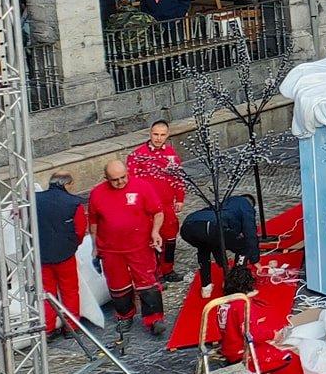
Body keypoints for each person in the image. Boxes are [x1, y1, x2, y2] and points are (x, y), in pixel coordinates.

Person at [85, 157, 166, 337]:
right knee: (117, 286)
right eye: (115, 179)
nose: (120, 182)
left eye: (123, 177)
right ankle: (125, 316)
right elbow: (94, 223)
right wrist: (94, 245)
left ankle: (155, 319)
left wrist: (155, 232)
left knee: (147, 283)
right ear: (106, 178)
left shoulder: (142, 187)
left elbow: (158, 212)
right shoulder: (97, 194)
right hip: (111, 250)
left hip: (140, 246)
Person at [125, 119, 186, 279]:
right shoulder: (137, 156)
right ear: (150, 133)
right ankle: (154, 272)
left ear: (167, 135)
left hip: (167, 205)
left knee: (170, 237)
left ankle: (168, 269)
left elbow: (178, 178)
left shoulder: (171, 155)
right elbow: (131, 183)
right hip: (147, 208)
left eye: (162, 135)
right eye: (155, 134)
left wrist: (179, 198)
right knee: (151, 238)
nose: (158, 138)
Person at [179, 192, 260, 300]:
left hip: (187, 227)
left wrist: (223, 263)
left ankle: (206, 286)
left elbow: (216, 242)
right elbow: (250, 233)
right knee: (244, 246)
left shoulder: (224, 204)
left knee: (205, 246)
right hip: (211, 225)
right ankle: (237, 286)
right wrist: (254, 258)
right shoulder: (245, 205)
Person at [34, 173, 86, 335]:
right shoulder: (73, 203)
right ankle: (71, 325)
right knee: (69, 290)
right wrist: (73, 245)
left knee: (45, 293)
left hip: (41, 255)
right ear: (67, 184)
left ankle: (47, 328)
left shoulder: (34, 200)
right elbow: (80, 230)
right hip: (65, 254)